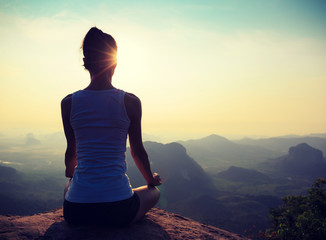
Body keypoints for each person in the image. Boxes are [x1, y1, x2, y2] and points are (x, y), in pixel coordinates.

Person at [61, 27, 161, 227]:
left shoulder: (68, 103)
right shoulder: (130, 102)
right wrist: (151, 179)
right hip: (119, 210)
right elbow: (138, 152)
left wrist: (75, 179)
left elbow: (71, 155)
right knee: (154, 193)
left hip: (75, 212)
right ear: (114, 63)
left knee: (69, 185)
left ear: (85, 63)